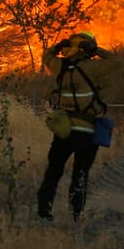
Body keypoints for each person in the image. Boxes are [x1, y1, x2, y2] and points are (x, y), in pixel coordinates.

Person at [37, 31, 110, 223]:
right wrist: (97, 51)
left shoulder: (60, 66)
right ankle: (76, 215)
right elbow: (117, 62)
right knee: (81, 174)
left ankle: (44, 211)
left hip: (64, 131)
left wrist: (57, 47)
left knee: (53, 171)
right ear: (87, 47)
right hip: (86, 132)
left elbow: (47, 56)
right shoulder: (93, 67)